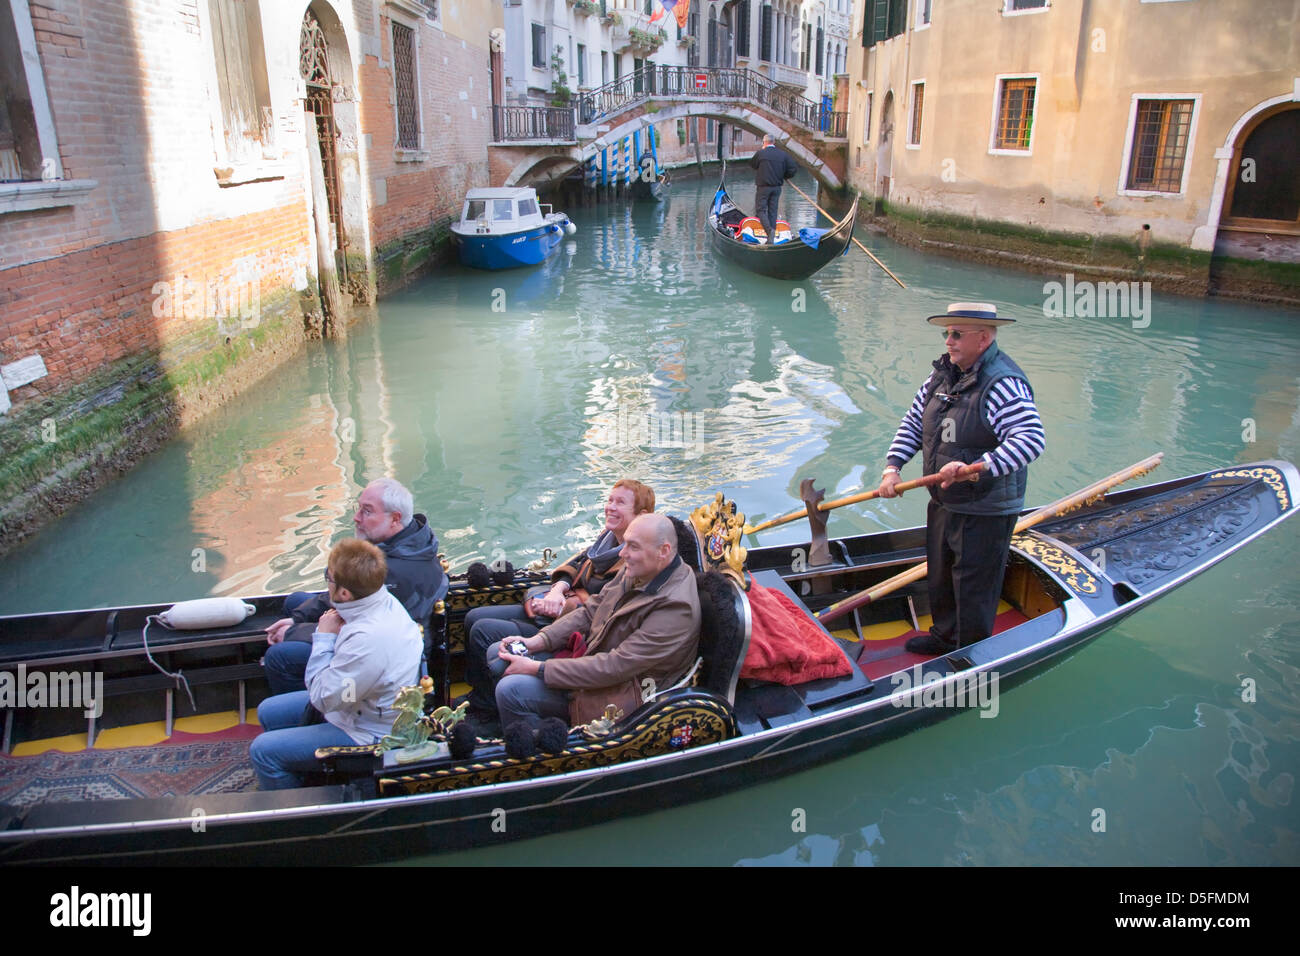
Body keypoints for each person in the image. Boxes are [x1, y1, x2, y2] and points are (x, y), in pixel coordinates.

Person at [876, 303, 1046, 655]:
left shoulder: (1003, 384)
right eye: (946, 333)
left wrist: (976, 467)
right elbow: (913, 423)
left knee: (971, 585)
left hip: (985, 507)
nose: (948, 341)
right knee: (940, 574)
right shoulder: (941, 376)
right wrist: (893, 467)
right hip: (945, 499)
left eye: (956, 334)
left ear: (982, 339)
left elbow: (1030, 440)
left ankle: (969, 654)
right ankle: (944, 638)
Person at [460, 479, 655, 731]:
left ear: (642, 516)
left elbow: (600, 612)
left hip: (570, 630)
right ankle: (482, 700)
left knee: (483, 630)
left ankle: (488, 711)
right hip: (552, 613)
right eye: (609, 500)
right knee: (473, 616)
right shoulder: (607, 540)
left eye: (620, 503)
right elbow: (575, 564)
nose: (610, 507)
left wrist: (560, 607)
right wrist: (557, 590)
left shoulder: (634, 562)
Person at [492, 513, 700, 730]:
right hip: (596, 658)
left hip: (623, 694)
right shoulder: (640, 569)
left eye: (633, 546)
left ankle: (545, 752)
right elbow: (590, 612)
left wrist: (539, 669)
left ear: (663, 551)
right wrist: (538, 640)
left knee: (511, 690)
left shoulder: (676, 608)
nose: (622, 553)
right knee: (499, 652)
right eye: (625, 543)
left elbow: (616, 666)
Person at [250, 538, 422, 789]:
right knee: (268, 711)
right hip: (358, 708)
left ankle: (295, 817)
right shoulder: (381, 599)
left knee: (262, 751)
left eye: (328, 578)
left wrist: (324, 638)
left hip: (369, 734)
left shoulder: (367, 640)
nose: (326, 583)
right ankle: (305, 775)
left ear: (344, 593)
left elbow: (321, 698)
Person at [263, 478, 445, 695]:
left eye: (367, 511)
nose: (356, 517)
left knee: (280, 656)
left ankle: (309, 710)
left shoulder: (393, 571)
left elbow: (359, 636)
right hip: (371, 628)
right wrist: (298, 618)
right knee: (296, 602)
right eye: (358, 508)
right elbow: (344, 595)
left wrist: (293, 632)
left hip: (383, 656)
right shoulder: (409, 541)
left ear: (395, 518)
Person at [749, 132, 797, 243]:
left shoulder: (761, 153)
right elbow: (793, 169)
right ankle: (770, 240)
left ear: (764, 143)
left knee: (760, 210)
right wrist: (784, 175)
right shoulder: (783, 154)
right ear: (774, 142)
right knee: (772, 211)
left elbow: (753, 165)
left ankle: (769, 231)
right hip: (776, 188)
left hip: (763, 188)